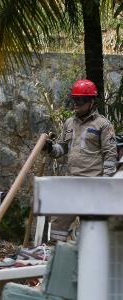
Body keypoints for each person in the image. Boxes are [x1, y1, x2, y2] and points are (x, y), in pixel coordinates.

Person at [43, 79, 117, 241]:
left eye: (80, 100)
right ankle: (56, 257)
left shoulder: (103, 125)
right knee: (58, 222)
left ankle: (89, 261)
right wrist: (49, 148)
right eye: (74, 99)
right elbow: (61, 149)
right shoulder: (69, 123)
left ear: (91, 102)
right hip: (71, 182)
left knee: (91, 228)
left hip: (93, 184)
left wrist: (106, 184)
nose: (76, 103)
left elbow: (110, 155)